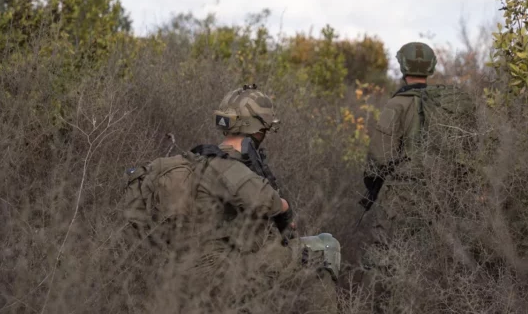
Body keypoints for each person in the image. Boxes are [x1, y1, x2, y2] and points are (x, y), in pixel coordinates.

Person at [122, 84, 338, 313]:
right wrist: (285, 210)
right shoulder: (232, 170)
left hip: (175, 274)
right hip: (220, 276)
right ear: (258, 130)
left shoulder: (193, 160)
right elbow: (276, 205)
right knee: (325, 247)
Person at [356, 41, 474, 312]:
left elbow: (379, 157)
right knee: (436, 260)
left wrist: (372, 188)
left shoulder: (397, 105)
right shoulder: (447, 105)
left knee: (388, 260)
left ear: (402, 66)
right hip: (444, 194)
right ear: (431, 67)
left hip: (402, 195)